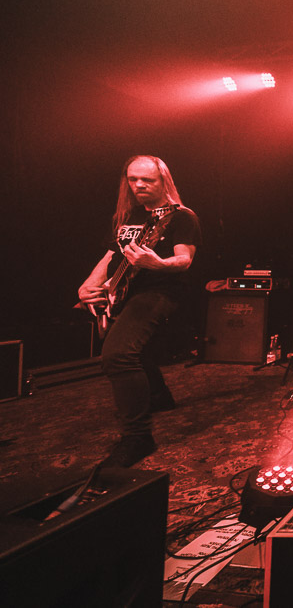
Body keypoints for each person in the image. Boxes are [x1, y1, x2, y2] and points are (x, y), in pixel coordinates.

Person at [78, 155, 200, 468]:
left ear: (164, 181)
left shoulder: (182, 217)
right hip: (125, 292)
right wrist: (89, 286)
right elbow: (111, 256)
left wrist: (157, 263)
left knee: (117, 355)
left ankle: (138, 437)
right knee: (134, 348)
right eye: (133, 179)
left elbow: (184, 260)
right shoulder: (129, 216)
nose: (139, 185)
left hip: (160, 291)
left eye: (147, 179)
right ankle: (159, 396)